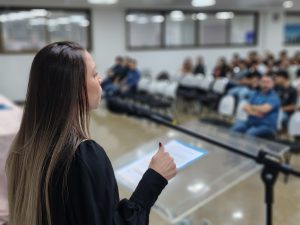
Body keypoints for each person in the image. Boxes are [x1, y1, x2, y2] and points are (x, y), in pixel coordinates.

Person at [5, 41, 177, 225]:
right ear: (75, 89)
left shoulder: (24, 145)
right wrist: (154, 178)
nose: (100, 79)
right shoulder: (82, 156)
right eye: (94, 74)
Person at [231, 72, 281, 138]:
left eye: (268, 82)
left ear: (272, 84)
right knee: (236, 128)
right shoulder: (255, 93)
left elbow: (264, 109)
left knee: (250, 133)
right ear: (260, 83)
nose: (265, 84)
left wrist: (251, 107)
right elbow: (245, 107)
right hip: (251, 123)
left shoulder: (274, 97)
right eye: (263, 82)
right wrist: (255, 113)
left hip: (267, 126)